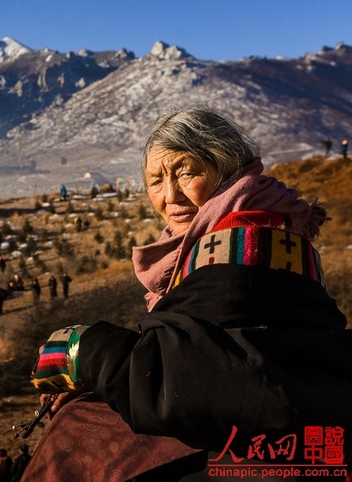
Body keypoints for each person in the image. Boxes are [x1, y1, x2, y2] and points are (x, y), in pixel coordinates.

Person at [24, 106, 352, 481]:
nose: (170, 195)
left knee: (77, 434)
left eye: (186, 172)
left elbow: (195, 379)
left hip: (271, 445)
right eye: (155, 180)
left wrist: (81, 349)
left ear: (228, 170)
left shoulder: (245, 237)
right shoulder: (258, 220)